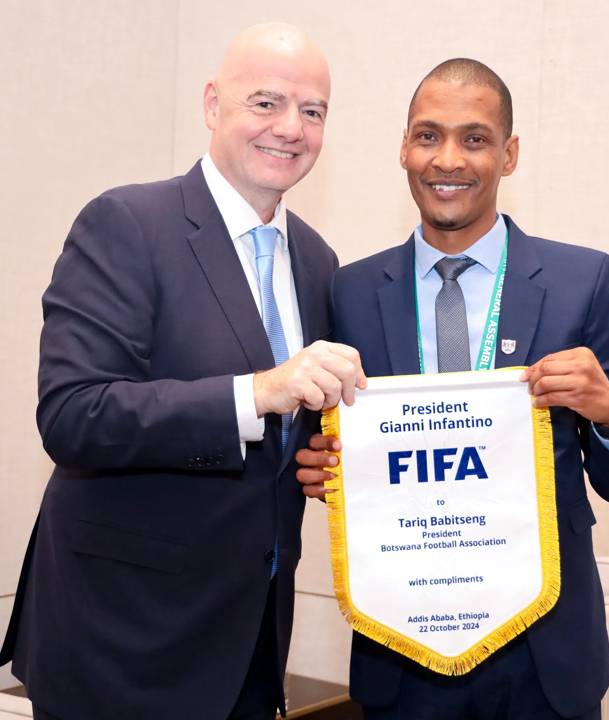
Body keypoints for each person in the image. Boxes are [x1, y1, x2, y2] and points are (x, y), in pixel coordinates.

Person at [0, 22, 366, 720]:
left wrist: (323, 463)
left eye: (312, 110)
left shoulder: (319, 263)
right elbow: (74, 415)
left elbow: (287, 452)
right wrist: (257, 393)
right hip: (121, 650)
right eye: (266, 102)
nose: (290, 127)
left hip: (253, 651)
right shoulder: (127, 224)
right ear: (211, 105)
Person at [296, 59, 609, 720]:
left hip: (545, 657)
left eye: (475, 138)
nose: (447, 160)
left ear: (509, 154)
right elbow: (322, 446)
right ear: (403, 147)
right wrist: (316, 467)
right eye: (428, 136)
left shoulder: (582, 280)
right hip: (403, 655)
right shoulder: (348, 292)